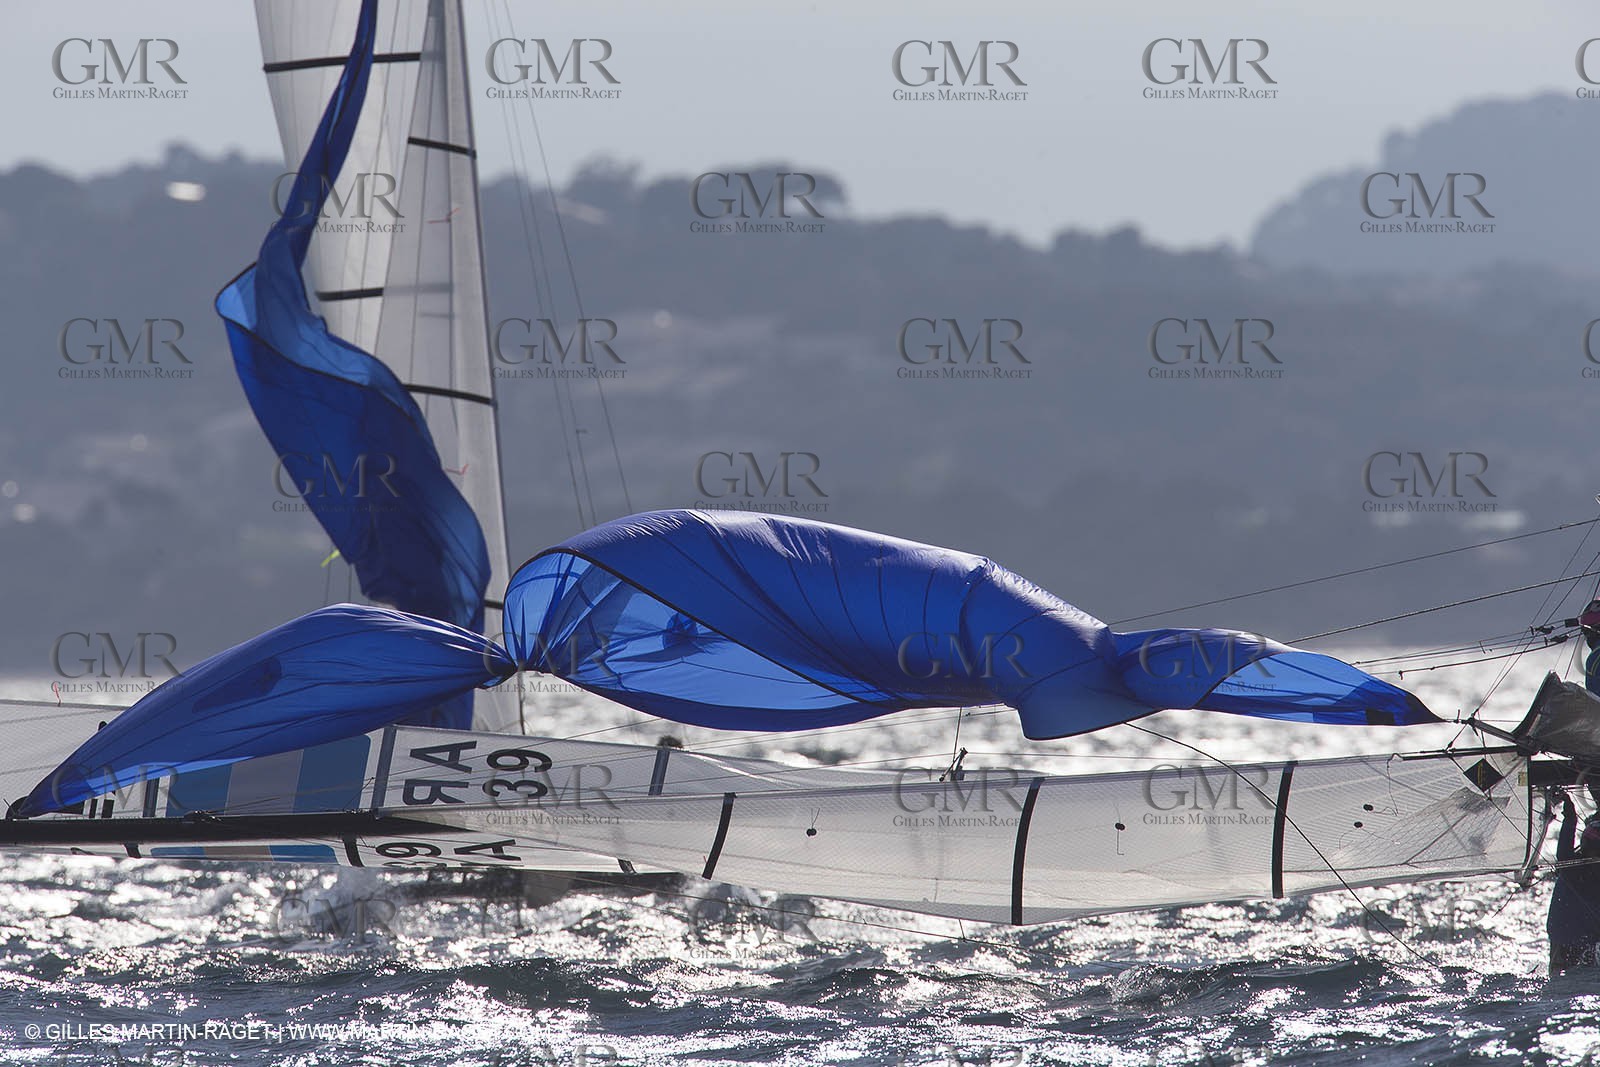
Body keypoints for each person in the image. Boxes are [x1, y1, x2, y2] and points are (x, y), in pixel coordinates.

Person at [1549, 790, 1600, 973]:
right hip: (1579, 941)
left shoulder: (1571, 868)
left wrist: (1570, 816)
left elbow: (1563, 852)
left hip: (1568, 940)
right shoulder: (1572, 868)